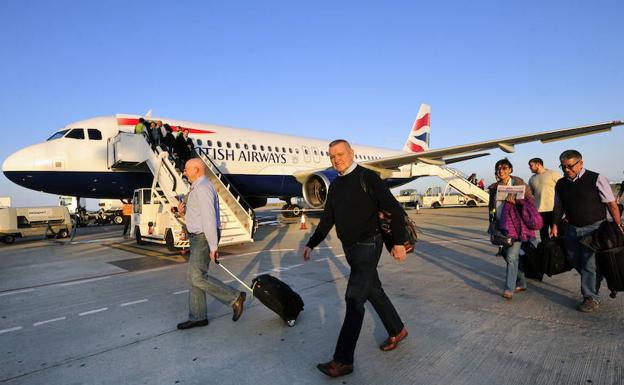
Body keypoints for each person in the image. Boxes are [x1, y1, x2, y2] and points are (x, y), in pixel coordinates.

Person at [302, 139, 408, 378]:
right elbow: (328, 219)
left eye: (340, 154)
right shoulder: (337, 185)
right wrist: (312, 243)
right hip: (350, 248)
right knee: (373, 291)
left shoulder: (367, 177)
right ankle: (398, 329)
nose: (336, 159)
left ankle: (343, 360)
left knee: (354, 299)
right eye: (332, 156)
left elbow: (394, 208)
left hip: (369, 244)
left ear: (352, 153)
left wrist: (399, 242)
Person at [176, 158, 246, 329]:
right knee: (195, 277)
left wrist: (213, 246)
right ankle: (198, 316)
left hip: (203, 238)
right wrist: (184, 219)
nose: (184, 173)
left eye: (186, 169)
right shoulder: (196, 188)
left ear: (197, 169)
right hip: (197, 236)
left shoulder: (203, 188)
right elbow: (198, 216)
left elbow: (209, 218)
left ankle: (234, 297)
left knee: (196, 277)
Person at [551, 150, 623, 313]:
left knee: (588, 264)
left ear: (581, 163)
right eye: (563, 167)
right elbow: (558, 206)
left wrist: (618, 224)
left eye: (570, 166)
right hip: (572, 229)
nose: (566, 170)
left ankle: (590, 297)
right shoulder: (561, 184)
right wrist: (554, 224)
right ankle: (596, 276)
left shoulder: (597, 179)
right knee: (575, 260)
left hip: (594, 228)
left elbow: (611, 204)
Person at [487, 158, 537, 300]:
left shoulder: (519, 184)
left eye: (504, 168)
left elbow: (530, 201)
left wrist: (517, 201)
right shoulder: (494, 187)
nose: (501, 171)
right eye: (498, 168)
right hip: (500, 225)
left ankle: (509, 288)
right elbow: (491, 207)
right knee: (505, 254)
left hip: (516, 225)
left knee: (511, 256)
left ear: (510, 170)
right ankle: (521, 281)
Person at [528, 158, 562, 241]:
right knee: (543, 235)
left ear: (538, 164)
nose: (530, 167)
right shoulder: (532, 179)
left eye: (531, 165)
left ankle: (557, 253)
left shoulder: (553, 174)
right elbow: (530, 194)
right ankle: (545, 252)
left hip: (554, 209)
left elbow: (563, 188)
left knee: (556, 235)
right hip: (539, 211)